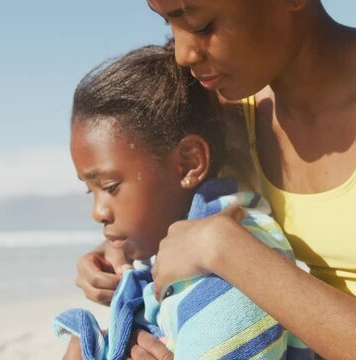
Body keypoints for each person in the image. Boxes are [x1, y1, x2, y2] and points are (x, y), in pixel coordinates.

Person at [76, 1, 356, 359]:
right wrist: (116, 257)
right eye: (168, 22)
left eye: (202, 22)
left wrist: (227, 249)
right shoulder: (230, 110)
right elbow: (163, 199)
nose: (183, 53)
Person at [59, 44, 312, 359]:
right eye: (90, 190)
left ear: (189, 164)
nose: (98, 213)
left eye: (110, 187)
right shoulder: (177, 252)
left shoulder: (224, 280)